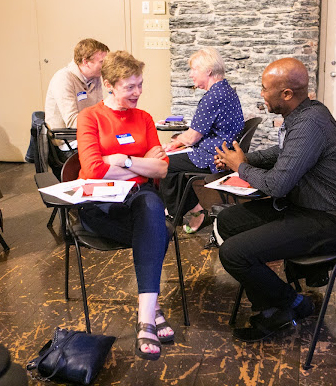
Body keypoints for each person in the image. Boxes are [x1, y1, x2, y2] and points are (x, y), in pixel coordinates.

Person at [213, 58, 336, 342]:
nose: (261, 93)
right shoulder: (302, 115)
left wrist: (240, 167)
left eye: (264, 88)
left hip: (334, 220)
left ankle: (291, 305)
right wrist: (242, 159)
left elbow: (278, 185)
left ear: (286, 95)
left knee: (234, 253)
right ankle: (273, 305)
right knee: (228, 220)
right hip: (308, 208)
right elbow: (281, 152)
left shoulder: (310, 123)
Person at [77, 51, 173, 361]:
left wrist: (124, 160)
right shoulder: (90, 117)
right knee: (157, 230)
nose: (137, 92)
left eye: (140, 85)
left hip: (136, 199)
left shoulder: (143, 118)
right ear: (109, 85)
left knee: (149, 204)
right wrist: (143, 163)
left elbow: (162, 169)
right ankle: (153, 310)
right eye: (130, 87)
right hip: (99, 204)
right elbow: (93, 170)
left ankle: (145, 317)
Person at [160, 47, 243, 233]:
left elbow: (192, 137)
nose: (191, 75)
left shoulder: (213, 96)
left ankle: (179, 213)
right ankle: (191, 209)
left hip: (213, 156)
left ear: (208, 71)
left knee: (163, 162)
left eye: (194, 69)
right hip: (223, 150)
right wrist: (178, 142)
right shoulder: (227, 90)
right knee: (175, 163)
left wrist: (172, 144)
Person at [44, 38, 109, 162]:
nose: (105, 66)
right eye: (102, 62)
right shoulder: (63, 79)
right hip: (68, 141)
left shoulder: (95, 77)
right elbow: (72, 121)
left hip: (88, 135)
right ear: (86, 62)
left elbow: (100, 110)